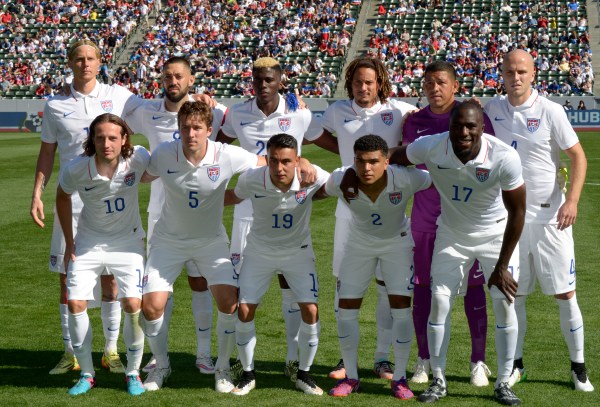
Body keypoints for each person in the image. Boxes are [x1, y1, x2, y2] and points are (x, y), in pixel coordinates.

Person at [377, 101, 526, 405]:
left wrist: (502, 265)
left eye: (472, 126)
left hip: (496, 235)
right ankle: (438, 380)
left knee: (504, 304)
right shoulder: (432, 147)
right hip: (452, 234)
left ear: (483, 128)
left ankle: (502, 382)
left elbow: (518, 212)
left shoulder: (504, 157)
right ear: (449, 126)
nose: (464, 132)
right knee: (440, 302)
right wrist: (364, 164)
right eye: (458, 125)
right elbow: (397, 156)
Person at [30, 39, 146, 376]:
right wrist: (37, 193)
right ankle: (71, 352)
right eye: (78, 58)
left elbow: (158, 109)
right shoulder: (54, 105)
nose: (85, 64)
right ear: (69, 62)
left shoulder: (119, 95)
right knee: (67, 277)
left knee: (110, 281)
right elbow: (48, 152)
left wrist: (197, 99)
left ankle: (110, 351)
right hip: (71, 203)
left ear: (100, 62)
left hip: (109, 203)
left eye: (90, 58)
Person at [485, 49, 593, 392]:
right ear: (501, 74)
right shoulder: (493, 109)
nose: (515, 78)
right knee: (512, 295)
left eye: (522, 72)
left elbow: (578, 156)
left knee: (566, 294)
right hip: (509, 220)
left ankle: (578, 368)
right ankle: (516, 365)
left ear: (533, 74)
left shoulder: (551, 111)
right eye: (509, 72)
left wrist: (571, 201)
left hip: (550, 218)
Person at [140, 101, 266, 393]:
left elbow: (267, 163)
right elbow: (140, 174)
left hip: (211, 241)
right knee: (151, 306)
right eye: (185, 127)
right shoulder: (164, 154)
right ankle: (161, 365)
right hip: (167, 241)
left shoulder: (227, 154)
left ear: (209, 130)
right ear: (178, 129)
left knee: (229, 302)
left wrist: (302, 163)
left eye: (197, 127)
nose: (190, 133)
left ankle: (222, 367)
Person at [311, 55, 415, 381]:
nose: (363, 87)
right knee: (345, 286)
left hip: (390, 212)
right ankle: (347, 361)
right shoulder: (337, 111)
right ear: (350, 83)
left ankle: (382, 358)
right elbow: (317, 134)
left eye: (369, 82)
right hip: (349, 211)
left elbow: (424, 130)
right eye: (358, 82)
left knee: (388, 287)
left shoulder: (399, 110)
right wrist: (345, 151)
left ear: (380, 81)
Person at [217, 57, 321, 381]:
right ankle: (235, 362)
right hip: (248, 208)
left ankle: (293, 359)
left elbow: (324, 140)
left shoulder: (299, 112)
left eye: (269, 79)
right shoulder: (238, 113)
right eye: (258, 79)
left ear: (280, 81)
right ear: (252, 80)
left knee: (290, 286)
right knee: (239, 295)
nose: (263, 85)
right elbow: (219, 145)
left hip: (284, 209)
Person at [126, 56, 227, 375]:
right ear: (161, 79)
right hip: (161, 213)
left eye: (179, 76)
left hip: (200, 215)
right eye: (168, 76)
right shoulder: (146, 111)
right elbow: (117, 130)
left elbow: (237, 127)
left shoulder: (210, 108)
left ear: (191, 79)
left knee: (200, 282)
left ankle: (203, 353)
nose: (173, 81)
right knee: (159, 287)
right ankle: (159, 355)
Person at [402, 61, 494, 386]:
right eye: (428, 83)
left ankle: (478, 361)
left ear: (455, 85)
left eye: (441, 82)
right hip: (425, 222)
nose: (434, 88)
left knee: (472, 288)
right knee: (425, 289)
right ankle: (424, 358)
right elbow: (407, 161)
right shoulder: (413, 123)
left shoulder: (473, 118)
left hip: (466, 223)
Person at [326, 135, 431, 399]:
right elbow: (313, 186)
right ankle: (351, 376)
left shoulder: (407, 178)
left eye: (374, 162)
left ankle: (400, 379)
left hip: (396, 245)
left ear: (386, 162)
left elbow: (438, 178)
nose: (366, 168)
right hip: (358, 245)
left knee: (401, 309)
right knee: (345, 308)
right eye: (360, 162)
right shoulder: (340, 179)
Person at [224, 134, 329, 396]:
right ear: (267, 159)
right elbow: (232, 197)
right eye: (273, 161)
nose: (279, 168)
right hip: (259, 252)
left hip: (298, 253)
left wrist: (308, 166)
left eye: (286, 161)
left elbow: (345, 180)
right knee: (245, 310)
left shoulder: (312, 175)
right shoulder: (252, 179)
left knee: (311, 310)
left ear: (297, 161)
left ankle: (304, 373)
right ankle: (248, 374)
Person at [55, 114, 149, 396]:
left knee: (133, 303)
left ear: (124, 140)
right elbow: (61, 196)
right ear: (91, 140)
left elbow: (166, 167)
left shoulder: (139, 159)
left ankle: (133, 373)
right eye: (99, 137)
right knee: (74, 303)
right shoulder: (76, 169)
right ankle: (87, 374)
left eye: (112, 137)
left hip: (128, 243)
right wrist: (70, 244)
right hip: (89, 243)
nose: (106, 143)